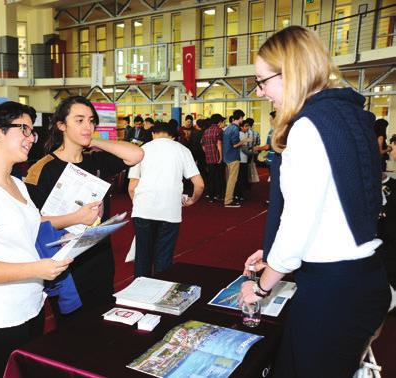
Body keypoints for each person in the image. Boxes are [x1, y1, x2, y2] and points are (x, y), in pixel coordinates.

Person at [239, 26, 390, 377]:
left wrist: (261, 288)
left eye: (262, 81)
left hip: (333, 288)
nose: (260, 93)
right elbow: (337, 205)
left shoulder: (309, 127)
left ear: (290, 73)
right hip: (363, 275)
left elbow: (298, 224)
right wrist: (273, 253)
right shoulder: (348, 115)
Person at [0, 101, 72, 378]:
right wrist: (37, 269)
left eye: (32, 131)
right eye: (24, 129)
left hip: (30, 303)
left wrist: (75, 220)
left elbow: (30, 224)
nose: (31, 138)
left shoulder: (16, 183)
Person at [24, 95, 143, 322]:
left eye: (91, 120)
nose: (87, 126)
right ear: (61, 125)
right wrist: (75, 218)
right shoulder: (43, 169)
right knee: (72, 328)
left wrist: (94, 141)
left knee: (102, 320)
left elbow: (137, 154)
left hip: (99, 255)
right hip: (65, 262)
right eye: (79, 121)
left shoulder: (95, 160)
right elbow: (32, 222)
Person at [128, 122, 204, 277]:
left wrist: (138, 204)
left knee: (142, 256)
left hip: (143, 209)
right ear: (174, 136)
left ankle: (138, 293)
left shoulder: (141, 150)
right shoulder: (182, 150)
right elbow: (199, 184)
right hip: (170, 211)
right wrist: (192, 200)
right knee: (164, 257)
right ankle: (160, 292)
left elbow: (131, 187)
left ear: (152, 134)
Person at [222, 109, 245, 208]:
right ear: (240, 118)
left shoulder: (228, 128)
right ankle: (228, 200)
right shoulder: (235, 129)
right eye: (242, 118)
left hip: (226, 156)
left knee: (228, 179)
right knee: (232, 180)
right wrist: (244, 141)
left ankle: (228, 197)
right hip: (233, 156)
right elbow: (235, 144)